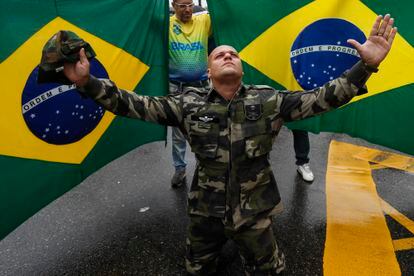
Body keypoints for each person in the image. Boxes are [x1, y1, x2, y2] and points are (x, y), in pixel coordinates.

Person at [63, 14, 396, 275]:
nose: (228, 55)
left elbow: (324, 98)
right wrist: (87, 82)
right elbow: (131, 103)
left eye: (233, 54)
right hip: (206, 208)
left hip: (255, 208)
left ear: (240, 68)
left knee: (270, 270)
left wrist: (366, 65)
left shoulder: (269, 99)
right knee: (196, 268)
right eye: (220, 54)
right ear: (208, 72)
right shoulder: (187, 103)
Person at [169, 0, 212, 188]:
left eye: (190, 5)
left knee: (206, 126)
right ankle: (180, 168)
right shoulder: (166, 24)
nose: (187, 9)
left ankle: (208, 166)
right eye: (182, 6)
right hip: (176, 87)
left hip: (202, 85)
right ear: (174, 4)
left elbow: (226, 10)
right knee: (178, 131)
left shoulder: (203, 21)